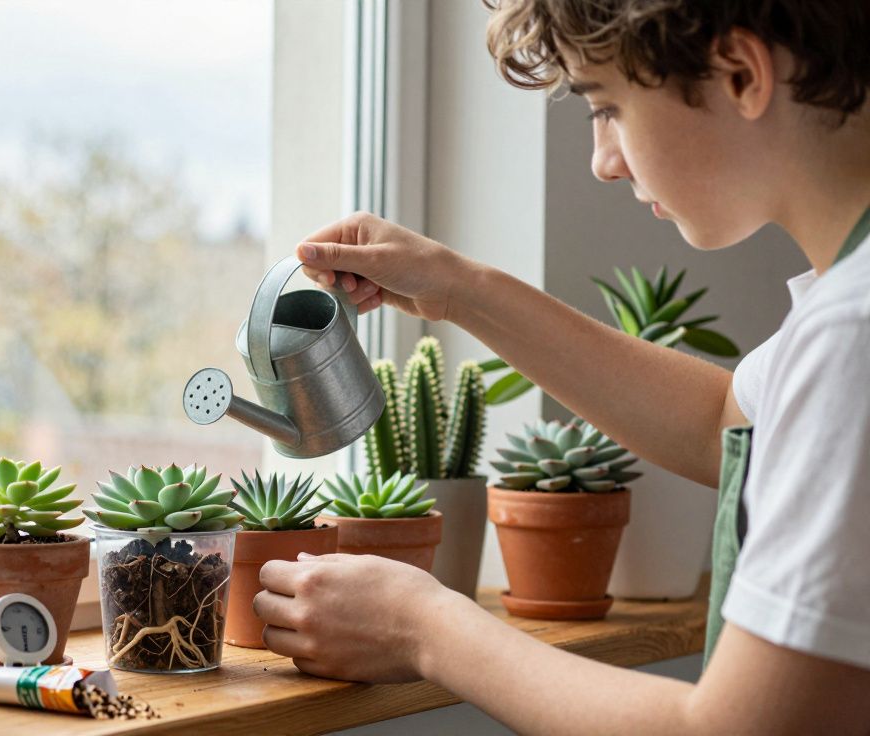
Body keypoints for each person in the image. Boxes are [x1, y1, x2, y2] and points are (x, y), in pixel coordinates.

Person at [253, 1, 870, 732]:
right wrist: (459, 289)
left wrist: (422, 628)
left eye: (607, 108)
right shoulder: (843, 306)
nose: (604, 161)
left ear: (740, 74)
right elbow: (724, 424)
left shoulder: (852, 333)